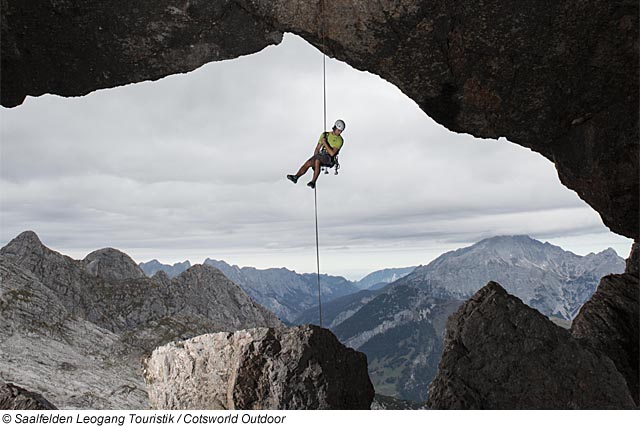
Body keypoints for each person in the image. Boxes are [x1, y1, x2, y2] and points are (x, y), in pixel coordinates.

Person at [287, 119, 345, 189]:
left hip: (329, 158)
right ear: (335, 127)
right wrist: (313, 159)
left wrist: (325, 143)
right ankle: (296, 177)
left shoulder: (340, 140)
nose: (340, 132)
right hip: (321, 155)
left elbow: (332, 153)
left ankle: (313, 182)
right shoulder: (325, 135)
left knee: (317, 160)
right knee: (309, 163)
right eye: (339, 130)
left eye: (341, 131)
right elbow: (317, 148)